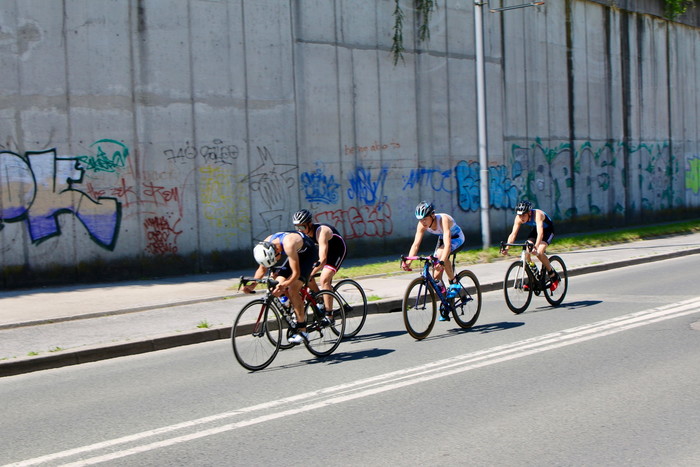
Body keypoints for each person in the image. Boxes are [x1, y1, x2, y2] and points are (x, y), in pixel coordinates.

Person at [243, 230, 318, 344]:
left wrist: (285, 285)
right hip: (294, 254)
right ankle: (292, 305)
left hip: (308, 255)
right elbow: (262, 269)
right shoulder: (266, 244)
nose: (274, 262)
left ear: (277, 251)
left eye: (273, 260)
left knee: (292, 289)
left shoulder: (289, 244)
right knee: (275, 285)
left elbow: (296, 273)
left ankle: (303, 331)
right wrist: (253, 285)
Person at [402, 201, 466, 320]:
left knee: (441, 255)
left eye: (425, 219)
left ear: (432, 215)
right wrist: (409, 261)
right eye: (420, 220)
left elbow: (447, 245)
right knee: (436, 279)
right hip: (442, 240)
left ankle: (454, 283)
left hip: (457, 238)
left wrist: (442, 262)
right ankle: (447, 304)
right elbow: (415, 245)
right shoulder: (421, 225)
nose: (423, 222)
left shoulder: (443, 219)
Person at [291, 209, 347, 318]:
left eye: (302, 227)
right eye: (297, 227)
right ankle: (320, 300)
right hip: (321, 251)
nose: (299, 230)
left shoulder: (321, 231)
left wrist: (310, 273)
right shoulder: (302, 235)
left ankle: (329, 315)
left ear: (309, 224)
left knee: (324, 279)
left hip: (336, 252)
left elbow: (323, 259)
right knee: (306, 276)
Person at [501, 200, 560, 289]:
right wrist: (507, 248)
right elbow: (513, 234)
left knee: (540, 252)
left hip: (547, 231)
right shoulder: (518, 218)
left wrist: (536, 247)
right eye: (520, 215)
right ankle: (533, 277)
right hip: (535, 230)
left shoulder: (538, 214)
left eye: (523, 215)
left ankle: (553, 274)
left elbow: (540, 234)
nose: (521, 218)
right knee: (527, 251)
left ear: (529, 213)